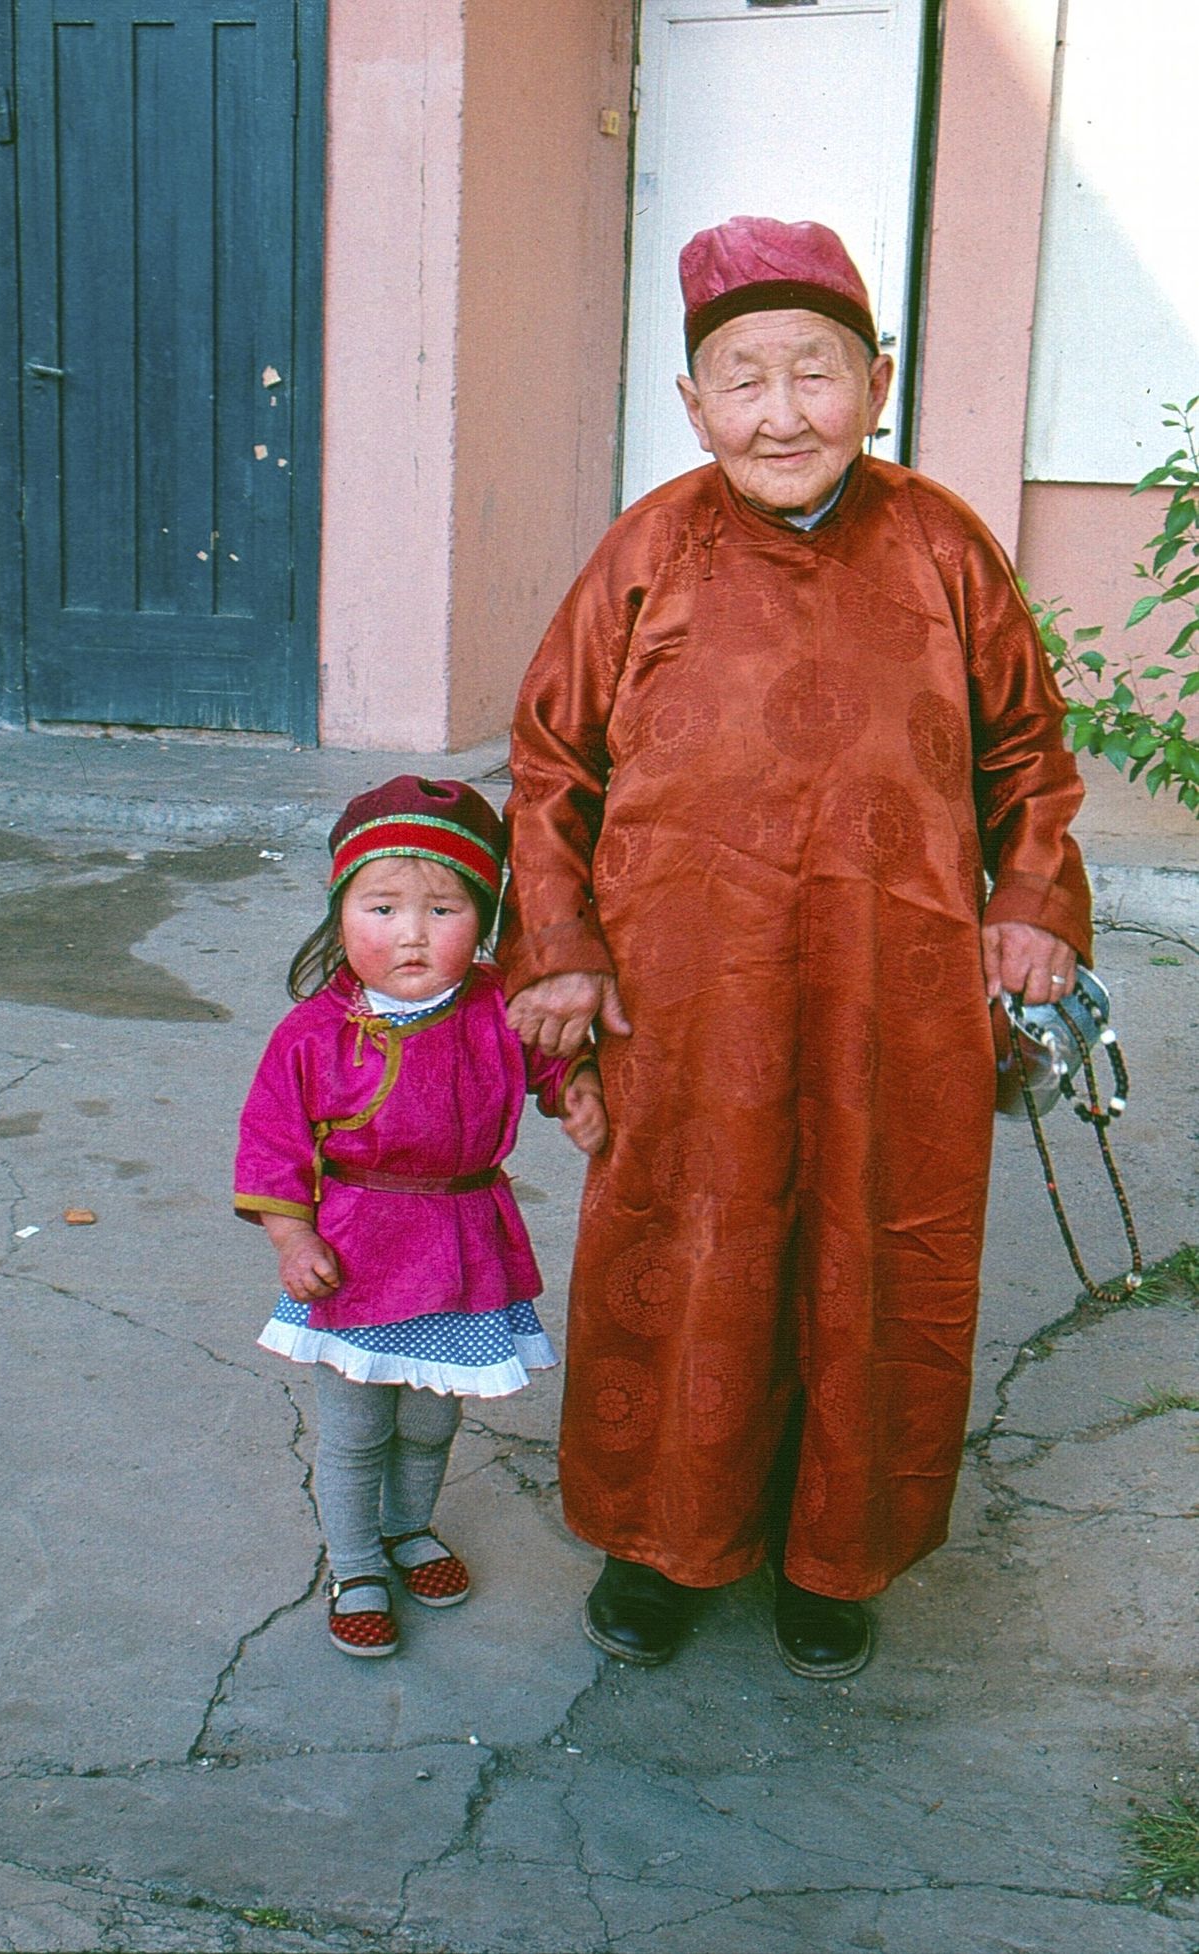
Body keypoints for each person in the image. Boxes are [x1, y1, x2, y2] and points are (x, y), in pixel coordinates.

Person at [499, 215, 1090, 1677]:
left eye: (814, 373)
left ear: (876, 382)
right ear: (693, 406)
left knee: (876, 1256)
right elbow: (549, 759)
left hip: (901, 990)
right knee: (687, 1244)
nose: (781, 412)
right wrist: (559, 946)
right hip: (685, 992)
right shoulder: (649, 544)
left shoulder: (944, 540)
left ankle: (840, 1551)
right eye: (741, 380)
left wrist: (1031, 903)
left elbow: (1029, 750)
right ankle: (665, 1542)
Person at [235, 775, 606, 1658]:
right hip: (358, 1252)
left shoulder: (493, 1006)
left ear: (483, 919)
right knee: (360, 1423)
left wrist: (579, 1085)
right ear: (339, 915)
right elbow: (270, 1144)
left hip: (466, 1244)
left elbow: (552, 1062)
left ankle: (409, 1529)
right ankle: (356, 1561)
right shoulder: (311, 1033)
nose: (411, 933)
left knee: (435, 1416)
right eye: (382, 906)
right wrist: (293, 1236)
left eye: (443, 908)